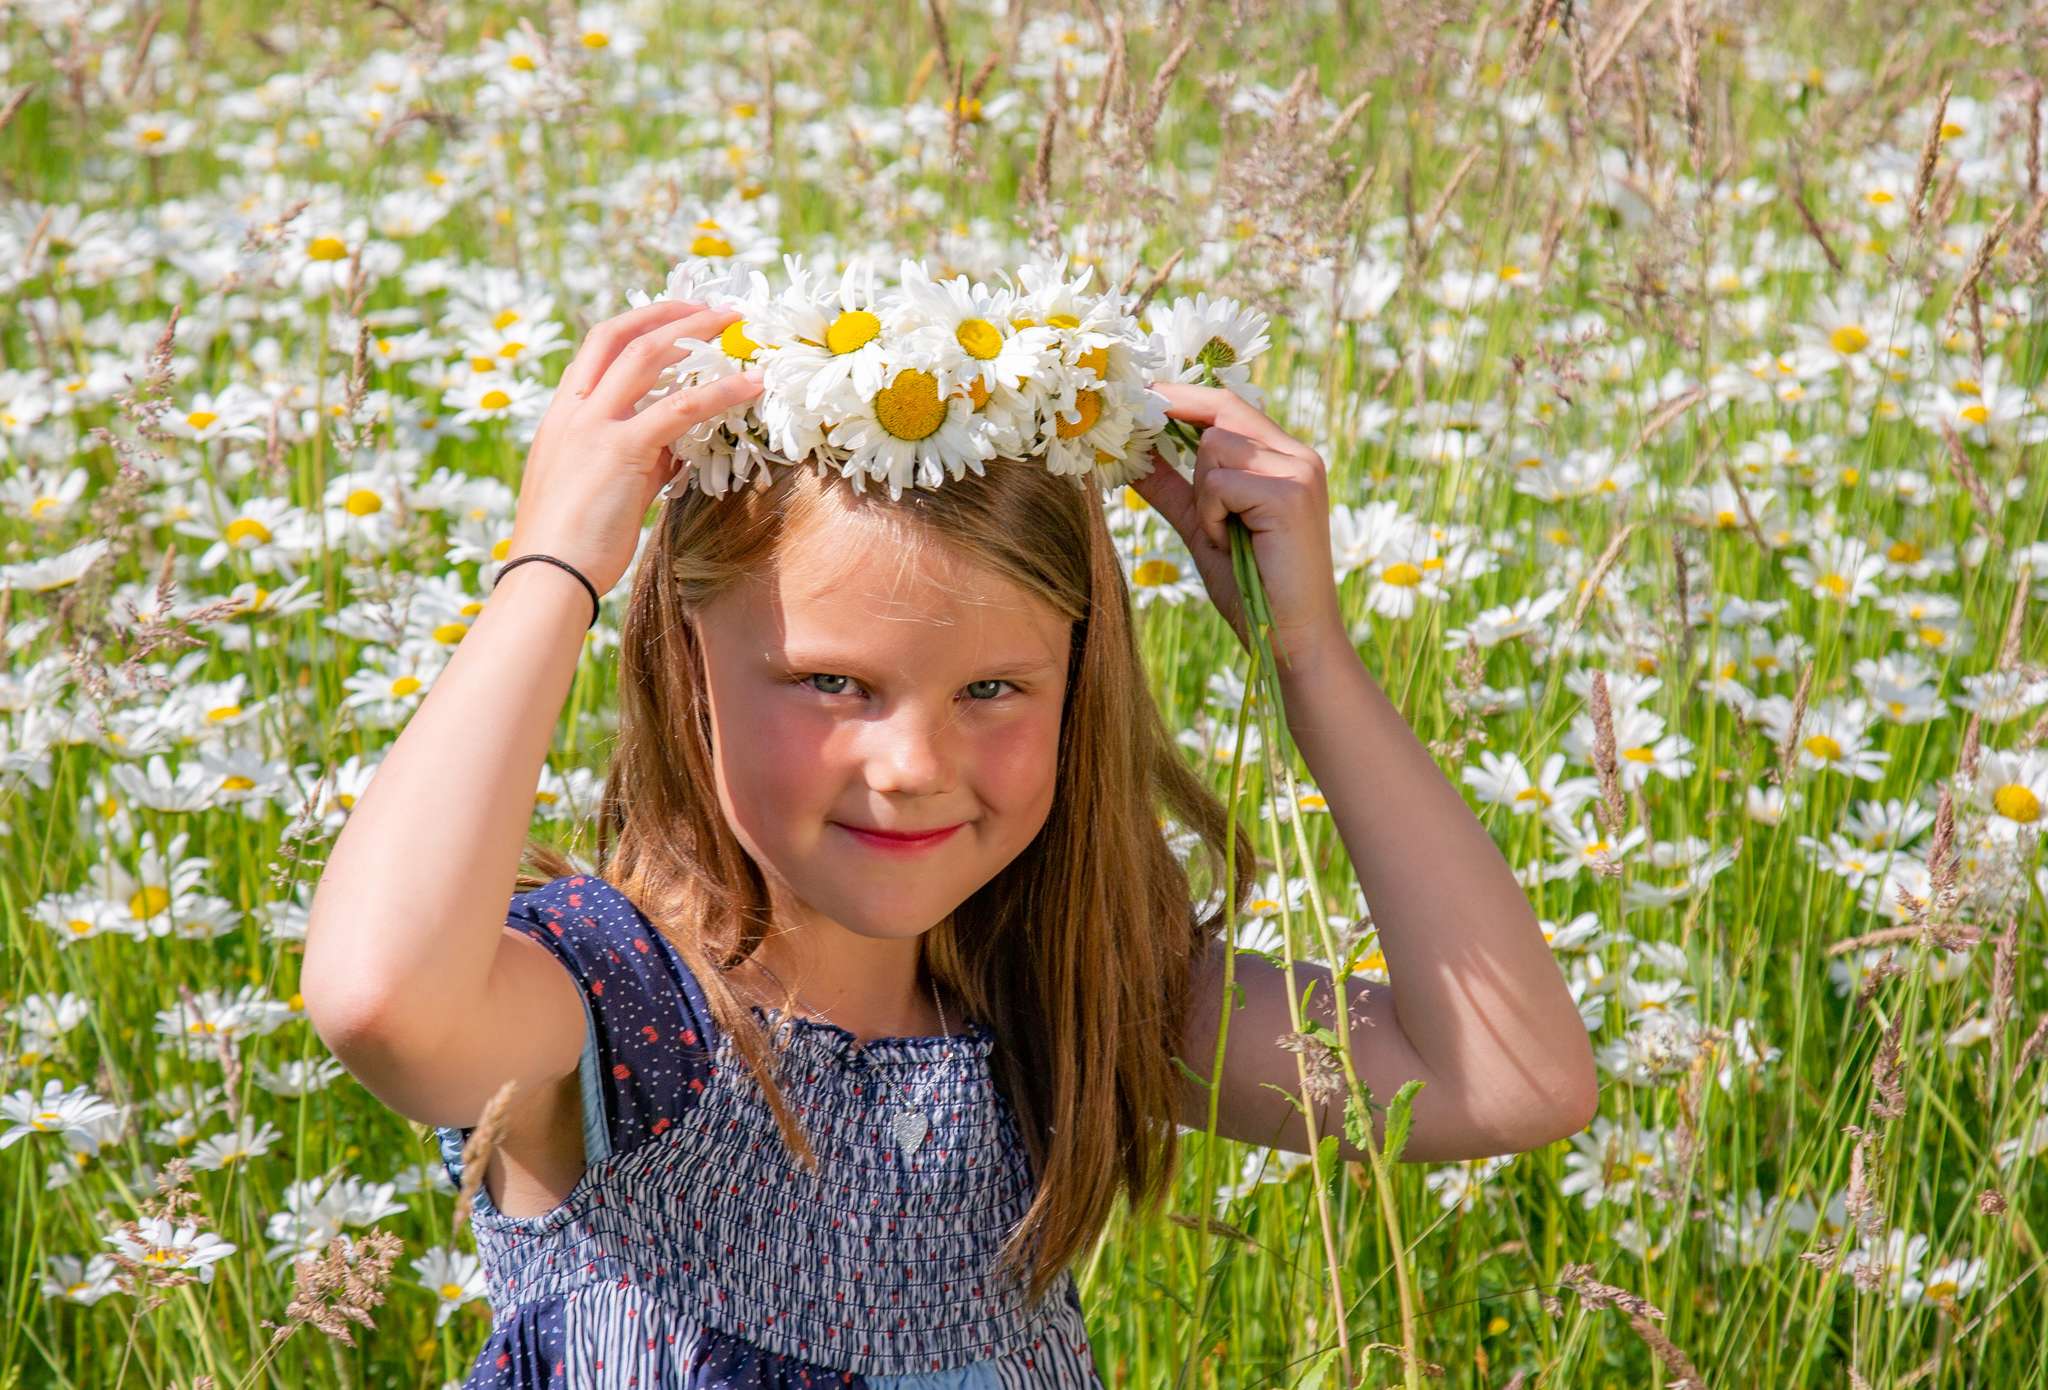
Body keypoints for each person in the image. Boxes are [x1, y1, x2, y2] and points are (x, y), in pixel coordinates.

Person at [303, 280, 1597, 1388]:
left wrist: (1306, 654)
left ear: (1076, 689)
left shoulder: (1065, 992)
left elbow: (1508, 1076)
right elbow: (381, 999)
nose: (914, 766)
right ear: (688, 662)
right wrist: (554, 567)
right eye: (832, 684)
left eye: (993, 690)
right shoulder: (618, 1013)